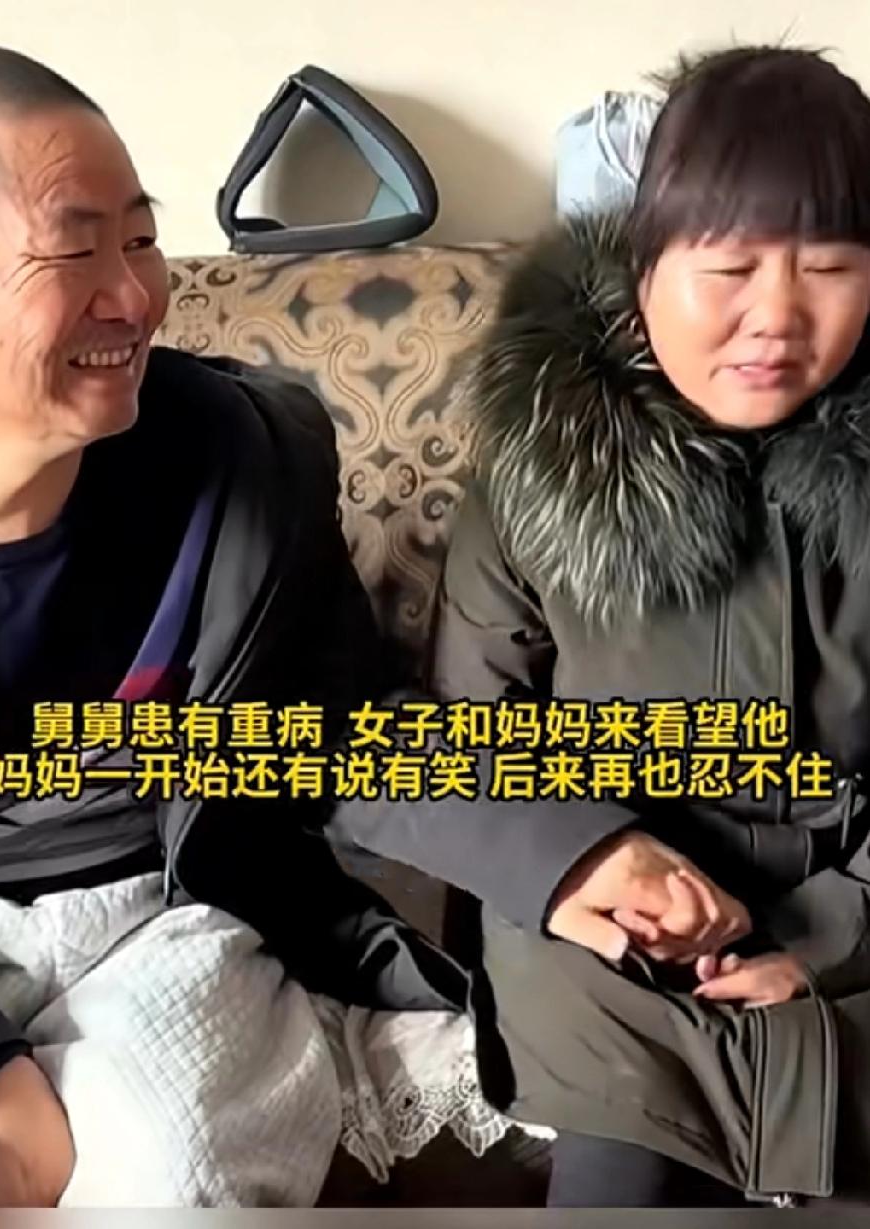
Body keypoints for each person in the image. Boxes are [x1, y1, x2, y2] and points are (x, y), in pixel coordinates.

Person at [330, 44, 870, 1208]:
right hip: (610, 948)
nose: (776, 316)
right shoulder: (542, 469)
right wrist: (581, 860)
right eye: (729, 267)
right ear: (643, 265)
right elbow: (452, 738)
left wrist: (833, 935)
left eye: (829, 266)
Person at [0, 44, 467, 1208]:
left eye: (140, 239)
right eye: (73, 247)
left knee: (178, 1167)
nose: (133, 296)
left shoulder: (241, 458)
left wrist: (577, 851)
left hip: (150, 905)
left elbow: (340, 730)